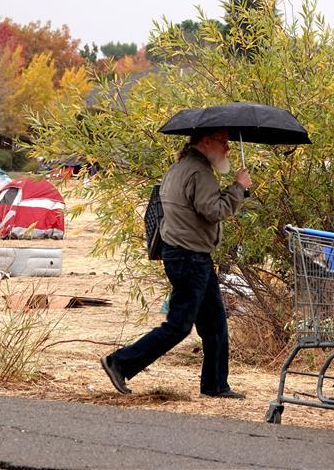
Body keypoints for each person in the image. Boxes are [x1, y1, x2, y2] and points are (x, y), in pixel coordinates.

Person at [101, 128, 252, 398]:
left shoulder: (180, 167)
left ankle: (215, 385)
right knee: (179, 325)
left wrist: (235, 191)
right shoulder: (199, 172)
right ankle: (120, 363)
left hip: (186, 254)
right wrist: (238, 187)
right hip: (190, 256)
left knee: (215, 324)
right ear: (206, 141)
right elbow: (214, 211)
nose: (227, 148)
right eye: (223, 142)